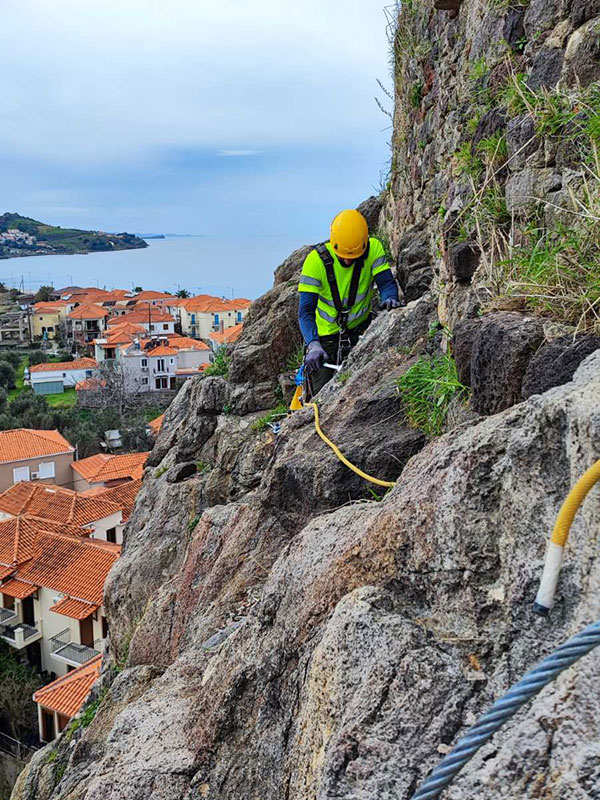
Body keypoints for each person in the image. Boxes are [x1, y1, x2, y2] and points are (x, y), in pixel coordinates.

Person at [297, 209, 403, 395]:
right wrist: (313, 344)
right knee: (320, 396)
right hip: (325, 340)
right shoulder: (315, 262)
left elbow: (386, 283)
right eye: (343, 256)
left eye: (353, 257)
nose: (347, 261)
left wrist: (390, 298)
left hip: (361, 331)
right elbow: (306, 312)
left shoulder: (373, 249)